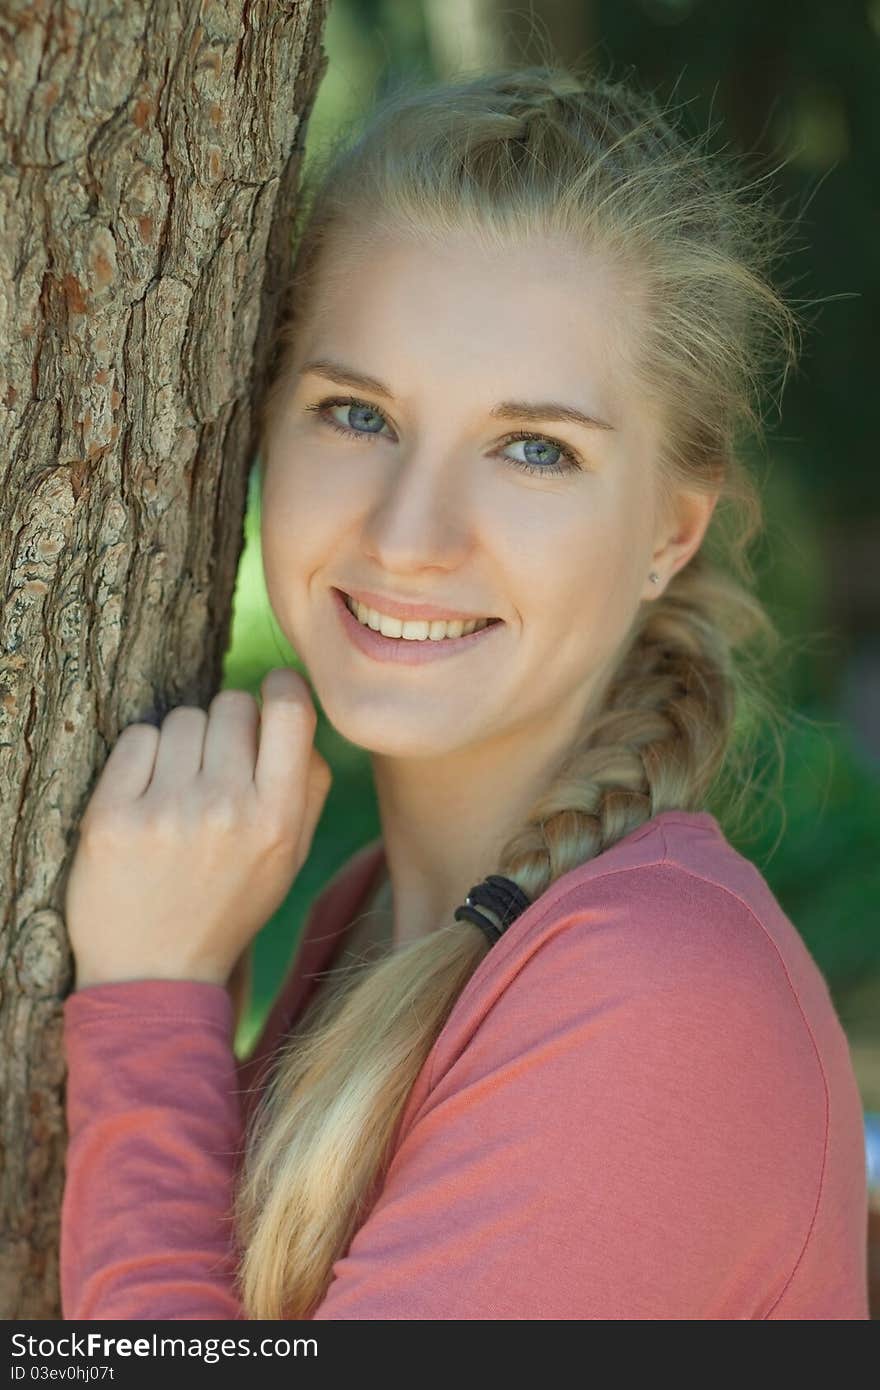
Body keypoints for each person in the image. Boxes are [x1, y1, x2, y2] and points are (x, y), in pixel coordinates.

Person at [59, 62, 870, 1320]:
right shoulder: (384, 917)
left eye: (533, 448)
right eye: (356, 413)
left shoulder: (659, 1000)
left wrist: (150, 1009)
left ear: (671, 528)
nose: (412, 532)